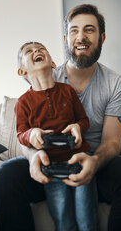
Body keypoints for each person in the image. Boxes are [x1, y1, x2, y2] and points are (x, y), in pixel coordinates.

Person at [0, 4, 121, 231]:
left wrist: (94, 162)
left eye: (89, 30)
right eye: (75, 31)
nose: (81, 37)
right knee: (5, 175)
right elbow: (24, 133)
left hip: (95, 162)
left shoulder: (115, 83)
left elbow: (112, 143)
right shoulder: (47, 75)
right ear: (66, 38)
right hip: (50, 164)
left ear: (102, 37)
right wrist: (34, 156)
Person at [15, 41, 98, 231]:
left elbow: (84, 120)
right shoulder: (23, 103)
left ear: (53, 63)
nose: (36, 50)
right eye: (29, 51)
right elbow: (21, 134)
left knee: (87, 219)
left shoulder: (67, 91)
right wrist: (32, 133)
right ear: (22, 71)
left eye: (42, 48)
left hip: (79, 161)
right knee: (63, 220)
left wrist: (78, 127)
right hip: (50, 167)